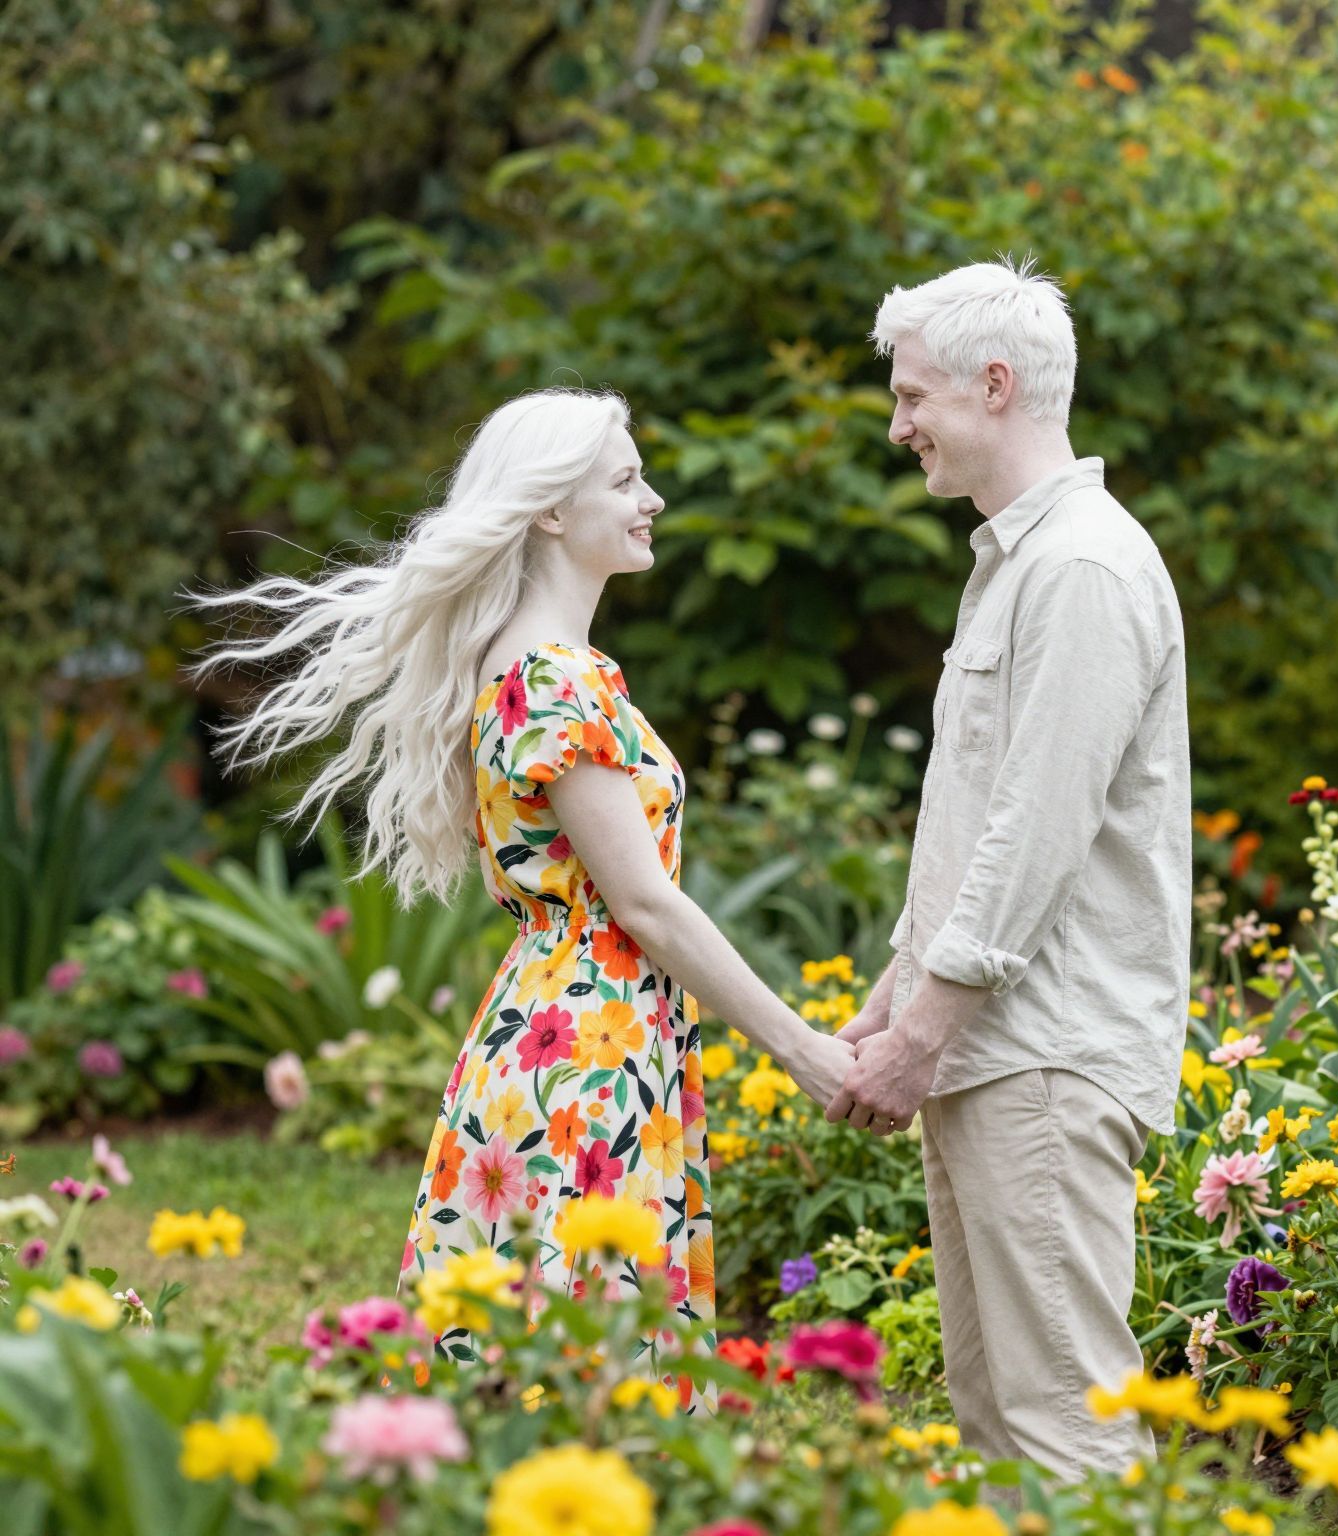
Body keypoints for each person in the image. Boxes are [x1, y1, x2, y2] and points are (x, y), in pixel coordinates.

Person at [189, 388, 853, 1407]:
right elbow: (648, 907)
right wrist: (804, 1051)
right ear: (548, 511)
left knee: (539, 1373)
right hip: (588, 1051)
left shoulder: (538, 670)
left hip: (559, 1031)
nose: (655, 501)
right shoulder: (554, 681)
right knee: (595, 1384)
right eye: (626, 481)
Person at [828, 259, 1192, 1478]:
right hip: (992, 1053)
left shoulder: (1078, 568)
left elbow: (1037, 831)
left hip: (1041, 1053)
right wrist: (894, 1005)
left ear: (994, 386)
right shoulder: (1019, 565)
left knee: (1066, 1431)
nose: (899, 425)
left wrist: (922, 1031)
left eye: (912, 395)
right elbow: (977, 822)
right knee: (1000, 1428)